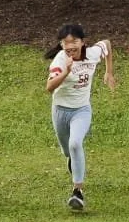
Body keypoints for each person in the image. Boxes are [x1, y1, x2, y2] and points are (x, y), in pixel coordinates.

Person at [46, 22, 116, 211]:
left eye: (74, 41)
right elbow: (50, 87)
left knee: (75, 143)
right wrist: (67, 71)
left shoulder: (92, 53)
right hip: (60, 111)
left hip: (82, 110)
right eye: (66, 43)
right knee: (68, 151)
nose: (70, 46)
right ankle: (73, 161)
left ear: (83, 42)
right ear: (61, 45)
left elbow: (107, 45)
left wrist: (109, 72)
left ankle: (78, 193)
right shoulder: (60, 61)